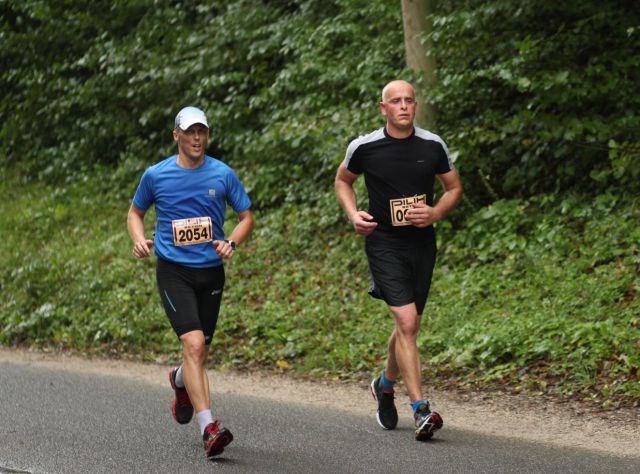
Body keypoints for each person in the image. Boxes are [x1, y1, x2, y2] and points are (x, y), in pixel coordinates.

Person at [334, 80, 462, 441]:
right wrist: (353, 214)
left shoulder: (432, 144)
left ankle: (385, 384)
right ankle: (421, 409)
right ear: (383, 108)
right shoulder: (365, 147)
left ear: (415, 106)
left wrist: (435, 212)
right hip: (384, 241)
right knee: (406, 322)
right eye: (396, 101)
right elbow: (343, 181)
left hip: (422, 243)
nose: (403, 106)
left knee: (410, 326)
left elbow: (454, 188)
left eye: (409, 101)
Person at [127, 106, 254, 457]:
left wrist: (232, 242)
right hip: (174, 272)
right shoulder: (156, 175)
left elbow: (246, 217)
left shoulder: (222, 174)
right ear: (176, 136)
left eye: (202, 132)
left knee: (199, 353)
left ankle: (181, 380)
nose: (197, 138)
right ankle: (209, 428)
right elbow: (136, 212)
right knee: (194, 345)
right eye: (190, 132)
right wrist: (138, 238)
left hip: (211, 273)